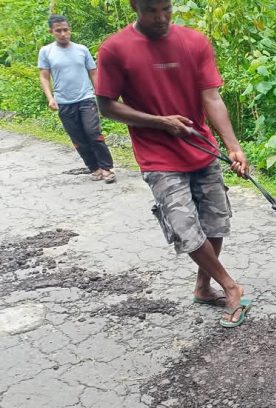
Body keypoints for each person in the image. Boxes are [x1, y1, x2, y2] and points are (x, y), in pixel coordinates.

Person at [95, 0, 251, 327]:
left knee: (215, 222)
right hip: (158, 155)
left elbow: (212, 97)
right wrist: (159, 122)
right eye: (151, 10)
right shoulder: (115, 49)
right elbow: (107, 106)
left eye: (166, 8)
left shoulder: (194, 42)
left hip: (201, 148)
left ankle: (203, 286)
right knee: (185, 228)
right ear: (134, 6)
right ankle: (230, 286)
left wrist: (233, 146)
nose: (161, 17)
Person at [38, 14, 116, 183]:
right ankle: (94, 168)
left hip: (86, 99)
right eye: (58, 31)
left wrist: (100, 94)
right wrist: (50, 98)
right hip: (64, 102)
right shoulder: (46, 52)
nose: (63, 33)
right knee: (78, 139)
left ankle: (106, 168)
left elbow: (93, 72)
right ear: (51, 32)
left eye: (66, 30)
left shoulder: (82, 49)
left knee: (93, 133)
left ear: (70, 30)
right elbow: (44, 76)